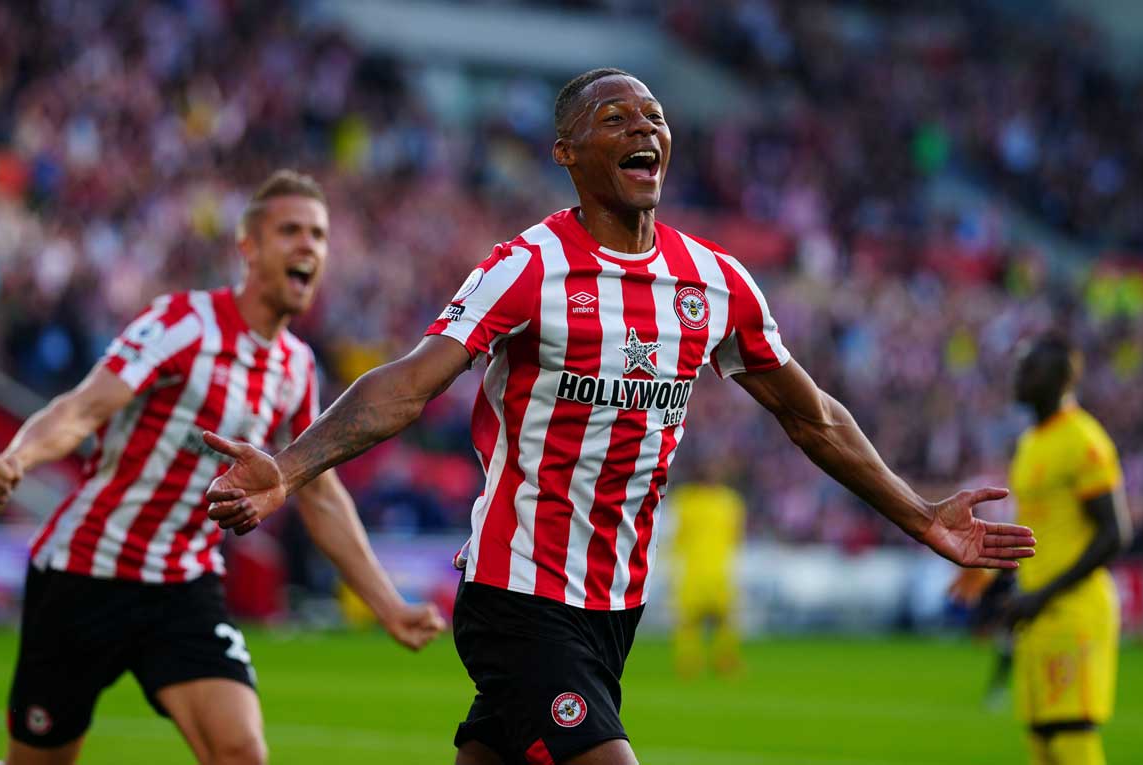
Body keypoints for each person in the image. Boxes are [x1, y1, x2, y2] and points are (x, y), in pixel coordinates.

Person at [203, 70, 1036, 765]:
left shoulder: (715, 283)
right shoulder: (527, 268)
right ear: (567, 154)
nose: (645, 127)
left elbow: (811, 417)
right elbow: (408, 385)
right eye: (616, 117)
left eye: (655, 116)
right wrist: (290, 466)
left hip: (617, 607)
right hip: (517, 592)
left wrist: (921, 513)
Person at [0, 170, 446, 765]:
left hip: (182, 584)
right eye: (291, 231)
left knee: (241, 753)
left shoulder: (296, 368)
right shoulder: (181, 324)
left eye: (319, 236)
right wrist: (19, 457)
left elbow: (319, 495)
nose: (308, 246)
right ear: (248, 247)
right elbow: (85, 407)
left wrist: (388, 604)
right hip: (84, 573)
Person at [1002, 334, 1131, 765]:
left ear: (1060, 379)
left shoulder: (1084, 440)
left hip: (1072, 612)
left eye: (1030, 369)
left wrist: (1045, 592)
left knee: (1069, 735)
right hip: (1036, 614)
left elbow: (1114, 533)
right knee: (1042, 740)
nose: (1019, 375)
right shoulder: (1030, 443)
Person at [665, 458, 746, 678]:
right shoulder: (723, 501)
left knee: (721, 619)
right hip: (698, 568)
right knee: (692, 620)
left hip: (713, 568)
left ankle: (720, 659)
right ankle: (693, 660)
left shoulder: (718, 500)